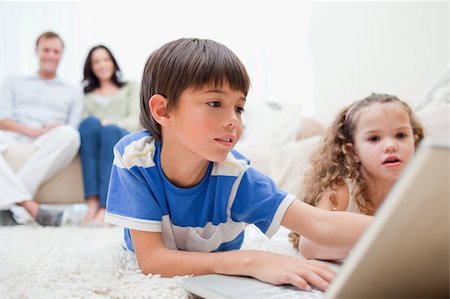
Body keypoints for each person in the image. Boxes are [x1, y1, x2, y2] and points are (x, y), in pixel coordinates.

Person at [105, 38, 372, 292]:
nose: (233, 120)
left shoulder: (236, 177)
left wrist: (408, 236)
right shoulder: (135, 160)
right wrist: (250, 261)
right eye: (214, 103)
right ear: (163, 110)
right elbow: (153, 261)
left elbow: (320, 224)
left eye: (239, 108)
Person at [289, 93, 425, 260]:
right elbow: (309, 245)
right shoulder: (341, 189)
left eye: (401, 135)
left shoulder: (419, 185)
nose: (390, 146)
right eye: (374, 138)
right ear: (353, 151)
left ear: (415, 141)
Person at [0, 31, 82, 226]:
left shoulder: (73, 92)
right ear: (37, 51)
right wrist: (31, 131)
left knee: (70, 135)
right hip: (14, 137)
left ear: (62, 55)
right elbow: (2, 120)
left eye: (56, 51)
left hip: (50, 141)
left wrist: (58, 127)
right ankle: (29, 207)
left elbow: (72, 127)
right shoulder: (13, 82)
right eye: (46, 50)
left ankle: (12, 204)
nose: (51, 55)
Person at [79, 45, 140, 225]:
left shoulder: (130, 87)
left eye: (106, 60)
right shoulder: (87, 95)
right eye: (96, 62)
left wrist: (112, 124)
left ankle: (106, 207)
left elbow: (135, 118)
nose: (102, 65)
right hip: (96, 139)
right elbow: (83, 124)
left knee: (109, 131)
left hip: (120, 134)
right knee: (89, 124)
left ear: (113, 63)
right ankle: (92, 204)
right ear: (91, 67)